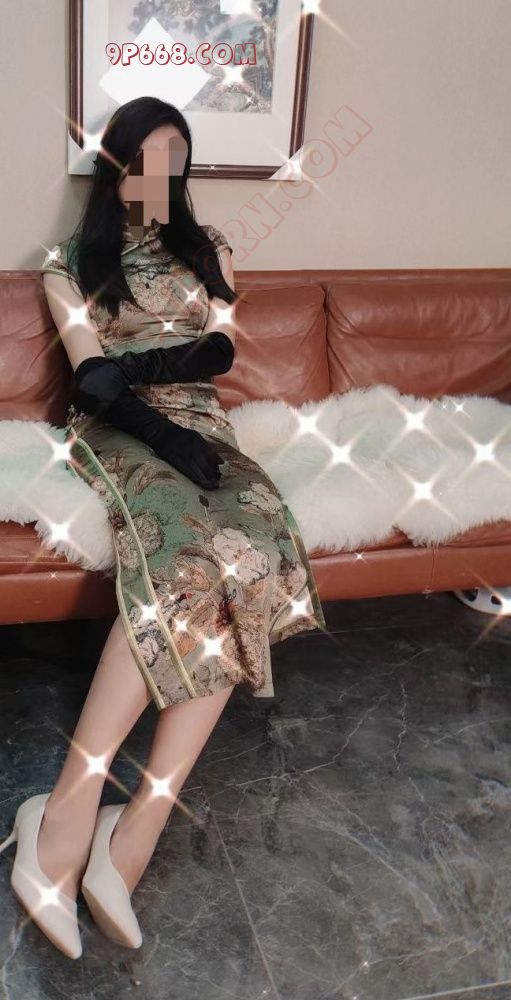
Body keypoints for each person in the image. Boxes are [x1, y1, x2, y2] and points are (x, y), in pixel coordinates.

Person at [0, 96, 326, 959]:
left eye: (174, 155)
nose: (160, 170)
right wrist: (162, 433)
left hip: (204, 421)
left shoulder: (207, 248)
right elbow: (94, 384)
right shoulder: (70, 263)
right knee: (183, 561)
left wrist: (175, 413)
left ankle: (139, 821)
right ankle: (62, 812)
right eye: (144, 155)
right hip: (118, 431)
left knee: (251, 558)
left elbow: (217, 351)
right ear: (115, 166)